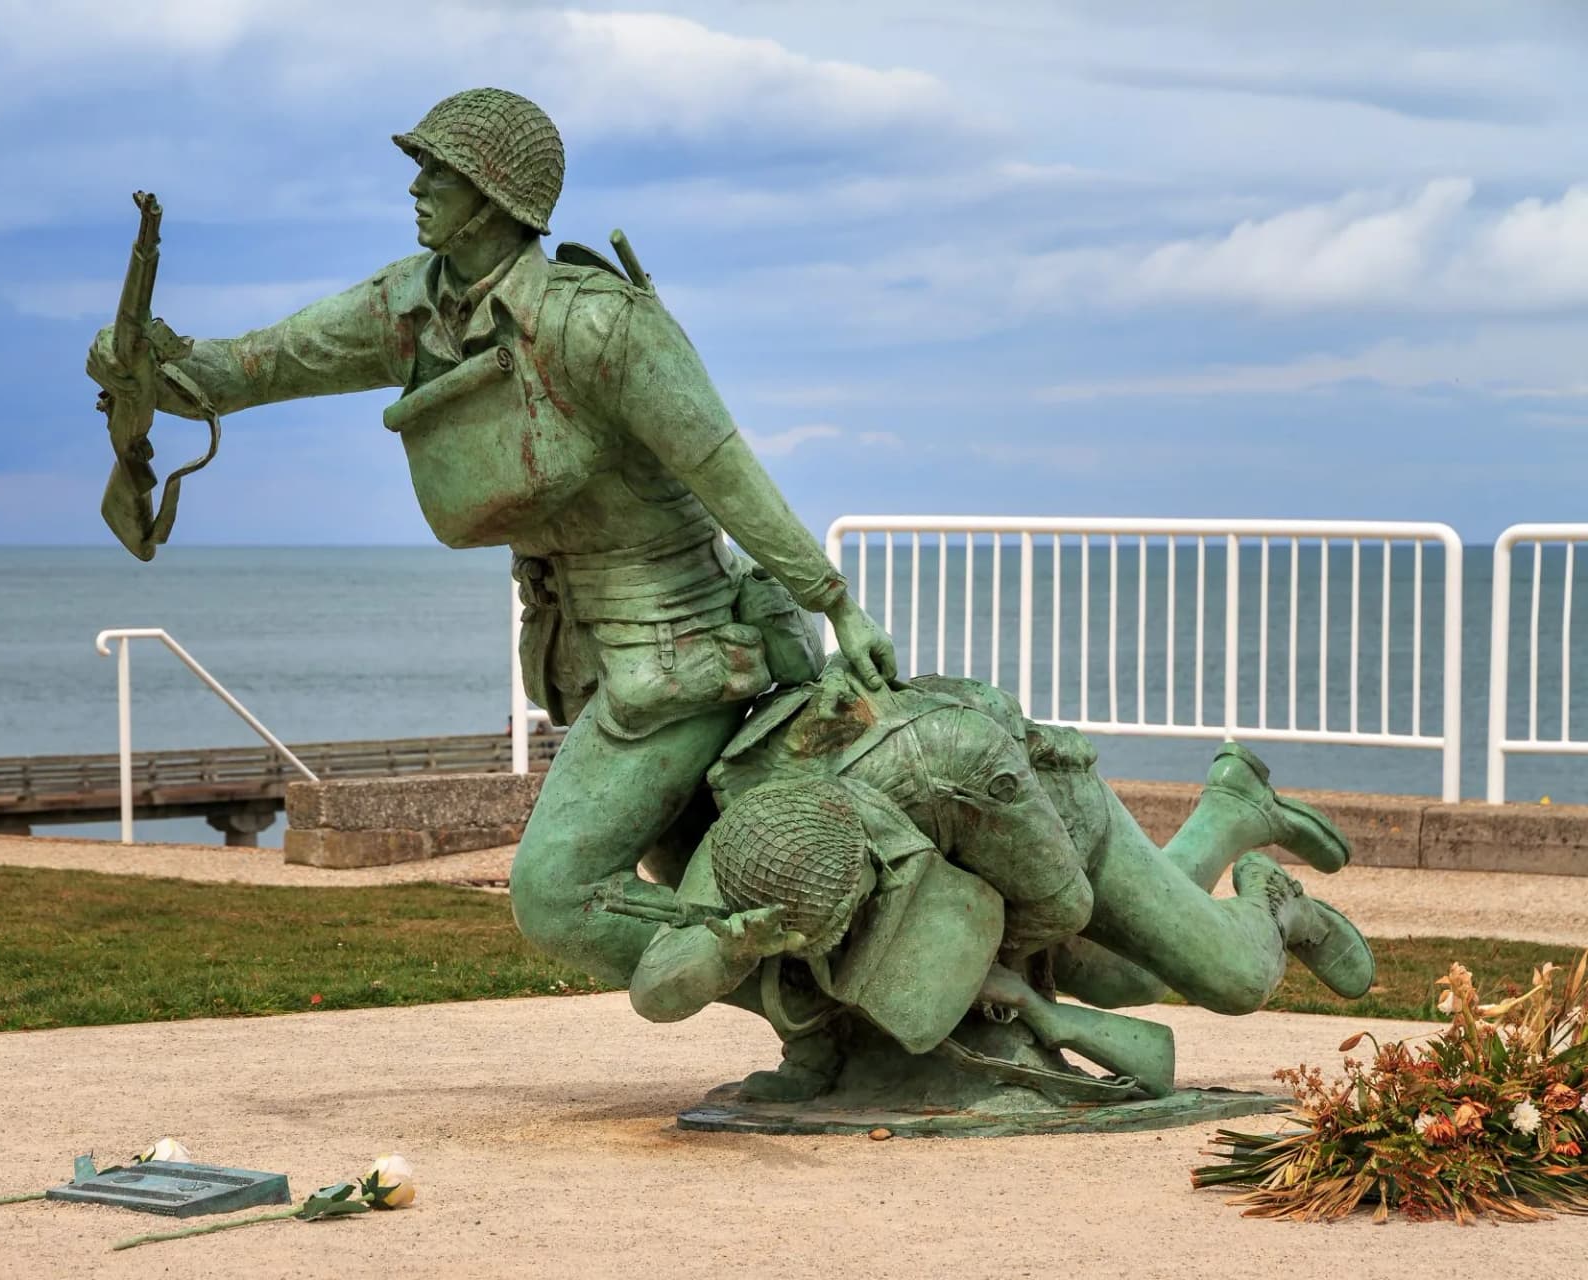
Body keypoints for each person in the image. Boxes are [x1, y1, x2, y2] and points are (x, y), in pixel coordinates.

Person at [84, 88, 895, 984]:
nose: (417, 187)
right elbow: (254, 367)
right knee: (690, 875)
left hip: (679, 648)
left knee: (558, 893)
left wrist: (835, 605)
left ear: (493, 194)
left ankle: (821, 1020)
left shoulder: (600, 323)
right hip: (575, 655)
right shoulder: (411, 306)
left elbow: (724, 469)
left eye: (438, 171)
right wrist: (152, 368)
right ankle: (835, 1032)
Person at [626, 664, 1374, 1101]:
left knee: (1234, 978)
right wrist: (727, 947)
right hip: (966, 865)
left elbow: (1066, 905)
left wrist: (979, 974)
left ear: (869, 845)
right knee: (1126, 981)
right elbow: (657, 988)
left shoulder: (949, 758)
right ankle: (1232, 809)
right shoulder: (746, 845)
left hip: (1053, 824)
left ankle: (1278, 905)